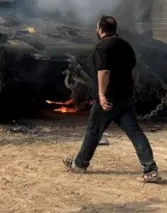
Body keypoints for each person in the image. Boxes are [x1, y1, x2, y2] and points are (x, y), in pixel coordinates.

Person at [62, 15, 161, 183]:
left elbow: (104, 72)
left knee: (94, 130)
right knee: (135, 132)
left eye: (97, 27)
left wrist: (101, 95)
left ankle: (80, 164)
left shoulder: (102, 47)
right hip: (125, 97)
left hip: (108, 100)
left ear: (101, 30)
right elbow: (132, 68)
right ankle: (150, 169)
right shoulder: (126, 45)